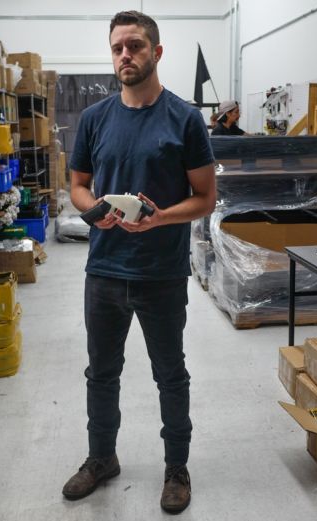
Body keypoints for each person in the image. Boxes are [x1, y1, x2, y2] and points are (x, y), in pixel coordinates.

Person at [63, 10, 216, 514]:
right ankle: (102, 458)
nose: (125, 55)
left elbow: (206, 198)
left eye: (135, 46)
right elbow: (78, 186)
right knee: (101, 374)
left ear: (156, 52)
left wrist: (159, 218)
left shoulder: (185, 119)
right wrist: (94, 211)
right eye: (117, 48)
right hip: (104, 271)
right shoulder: (94, 119)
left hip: (161, 274)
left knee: (170, 374)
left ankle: (177, 468)